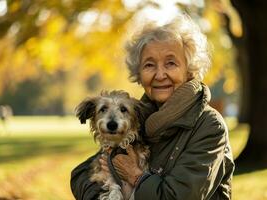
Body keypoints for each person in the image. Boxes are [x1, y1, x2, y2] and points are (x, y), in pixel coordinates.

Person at [71, 13, 234, 200]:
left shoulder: (209, 125)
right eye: (149, 65)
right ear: (139, 73)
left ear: (189, 71)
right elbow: (80, 175)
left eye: (171, 63)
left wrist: (135, 175)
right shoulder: (138, 117)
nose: (160, 74)